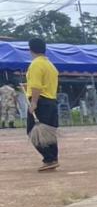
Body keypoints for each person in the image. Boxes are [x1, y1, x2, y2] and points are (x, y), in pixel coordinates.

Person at [25, 38, 59, 172]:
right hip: (51, 101)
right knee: (49, 133)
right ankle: (53, 158)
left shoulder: (35, 64)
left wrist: (33, 102)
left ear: (31, 49)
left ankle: (49, 158)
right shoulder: (50, 64)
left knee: (34, 132)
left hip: (41, 102)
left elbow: (36, 86)